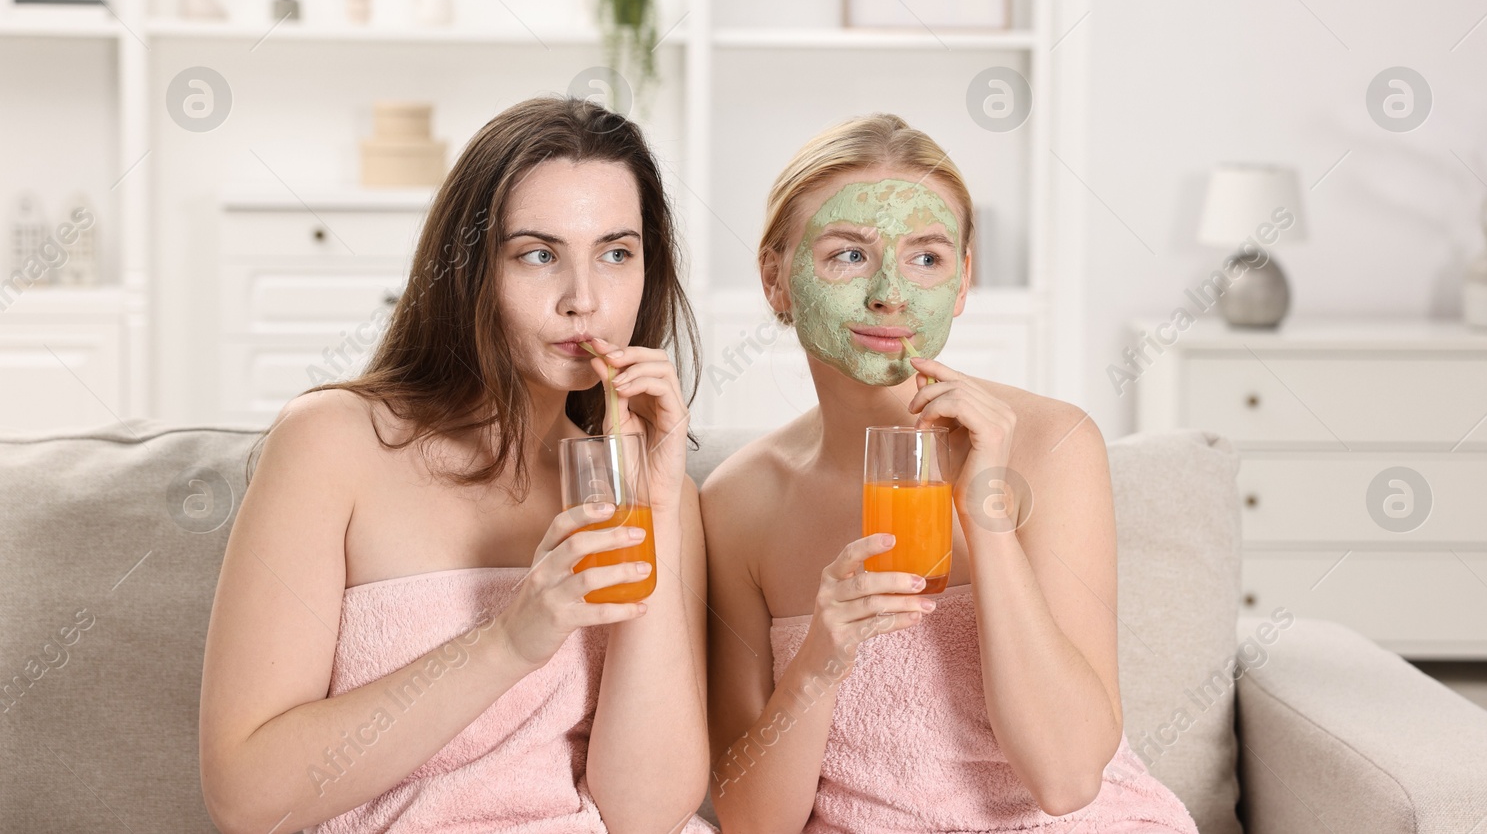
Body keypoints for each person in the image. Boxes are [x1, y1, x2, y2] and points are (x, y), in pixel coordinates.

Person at [199, 97, 714, 834]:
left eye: (616, 251)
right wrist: (509, 639)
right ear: (470, 268)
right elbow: (244, 798)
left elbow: (648, 813)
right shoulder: (332, 444)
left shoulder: (663, 495)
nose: (585, 299)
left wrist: (657, 503)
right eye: (538, 254)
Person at [700, 113, 1199, 833]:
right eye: (848, 255)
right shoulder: (736, 503)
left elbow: (1064, 780)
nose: (891, 294)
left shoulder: (1051, 445)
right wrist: (820, 657)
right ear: (776, 278)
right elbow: (754, 822)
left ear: (963, 281)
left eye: (927, 259)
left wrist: (987, 514)